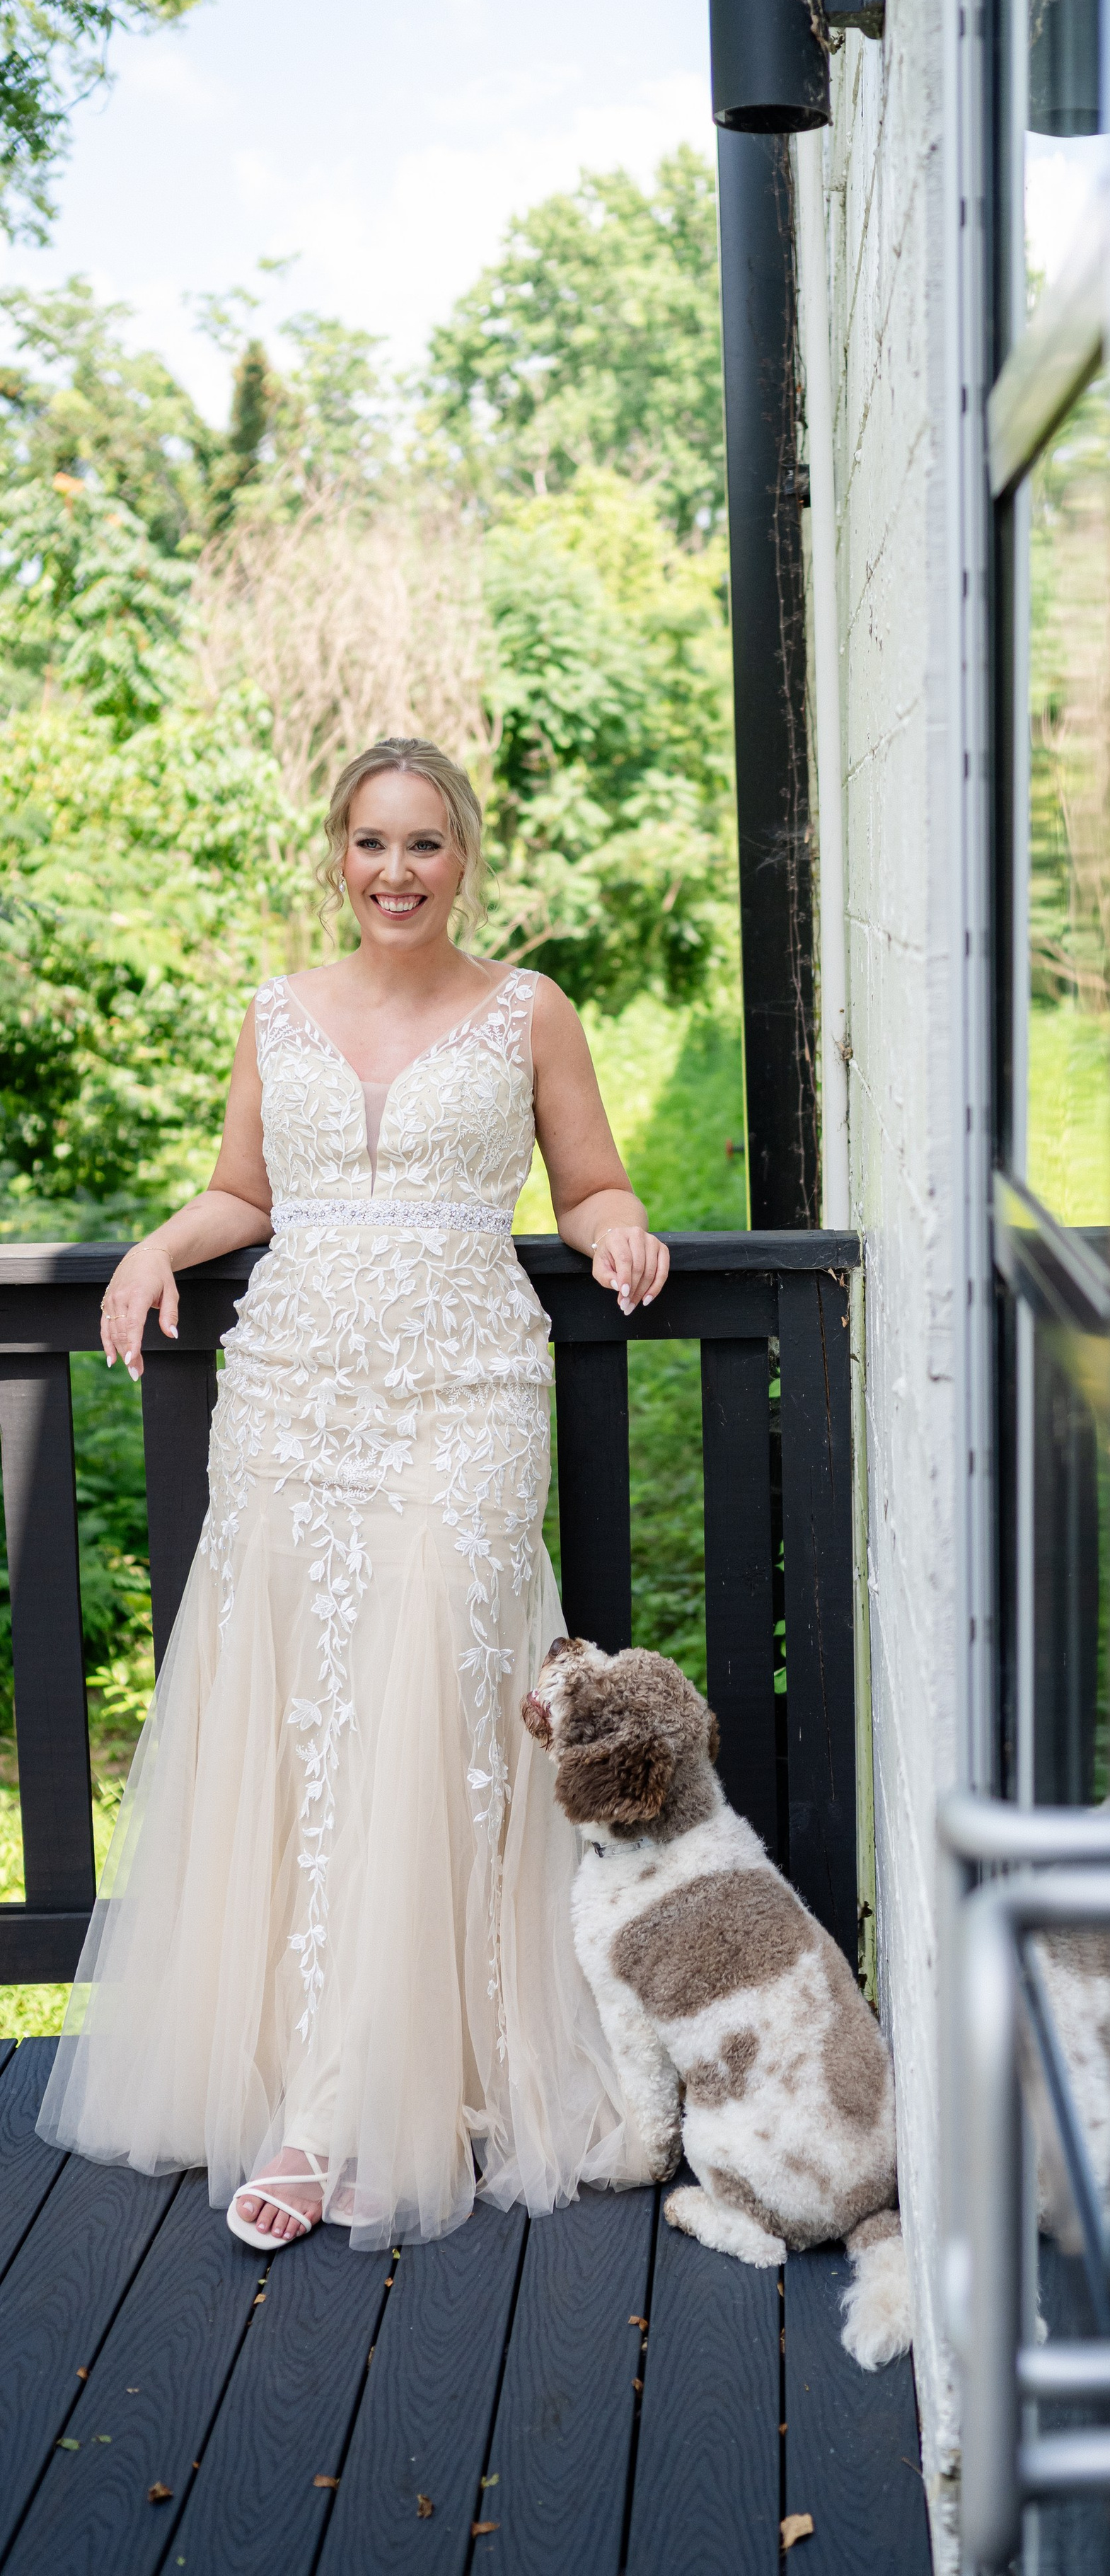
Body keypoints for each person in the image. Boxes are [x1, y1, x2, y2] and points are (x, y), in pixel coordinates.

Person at [37, 737, 671, 2251]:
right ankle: (320, 2104)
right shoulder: (278, 1012)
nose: (398, 871)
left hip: (466, 1400)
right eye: (373, 844)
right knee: (315, 1735)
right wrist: (156, 1247)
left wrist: (619, 1226)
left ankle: (395, 2095)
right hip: (294, 1403)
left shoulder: (530, 1012)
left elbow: (587, 1181)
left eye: (427, 846)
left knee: (440, 1722)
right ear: (339, 854)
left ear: (466, 859)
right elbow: (246, 1191)